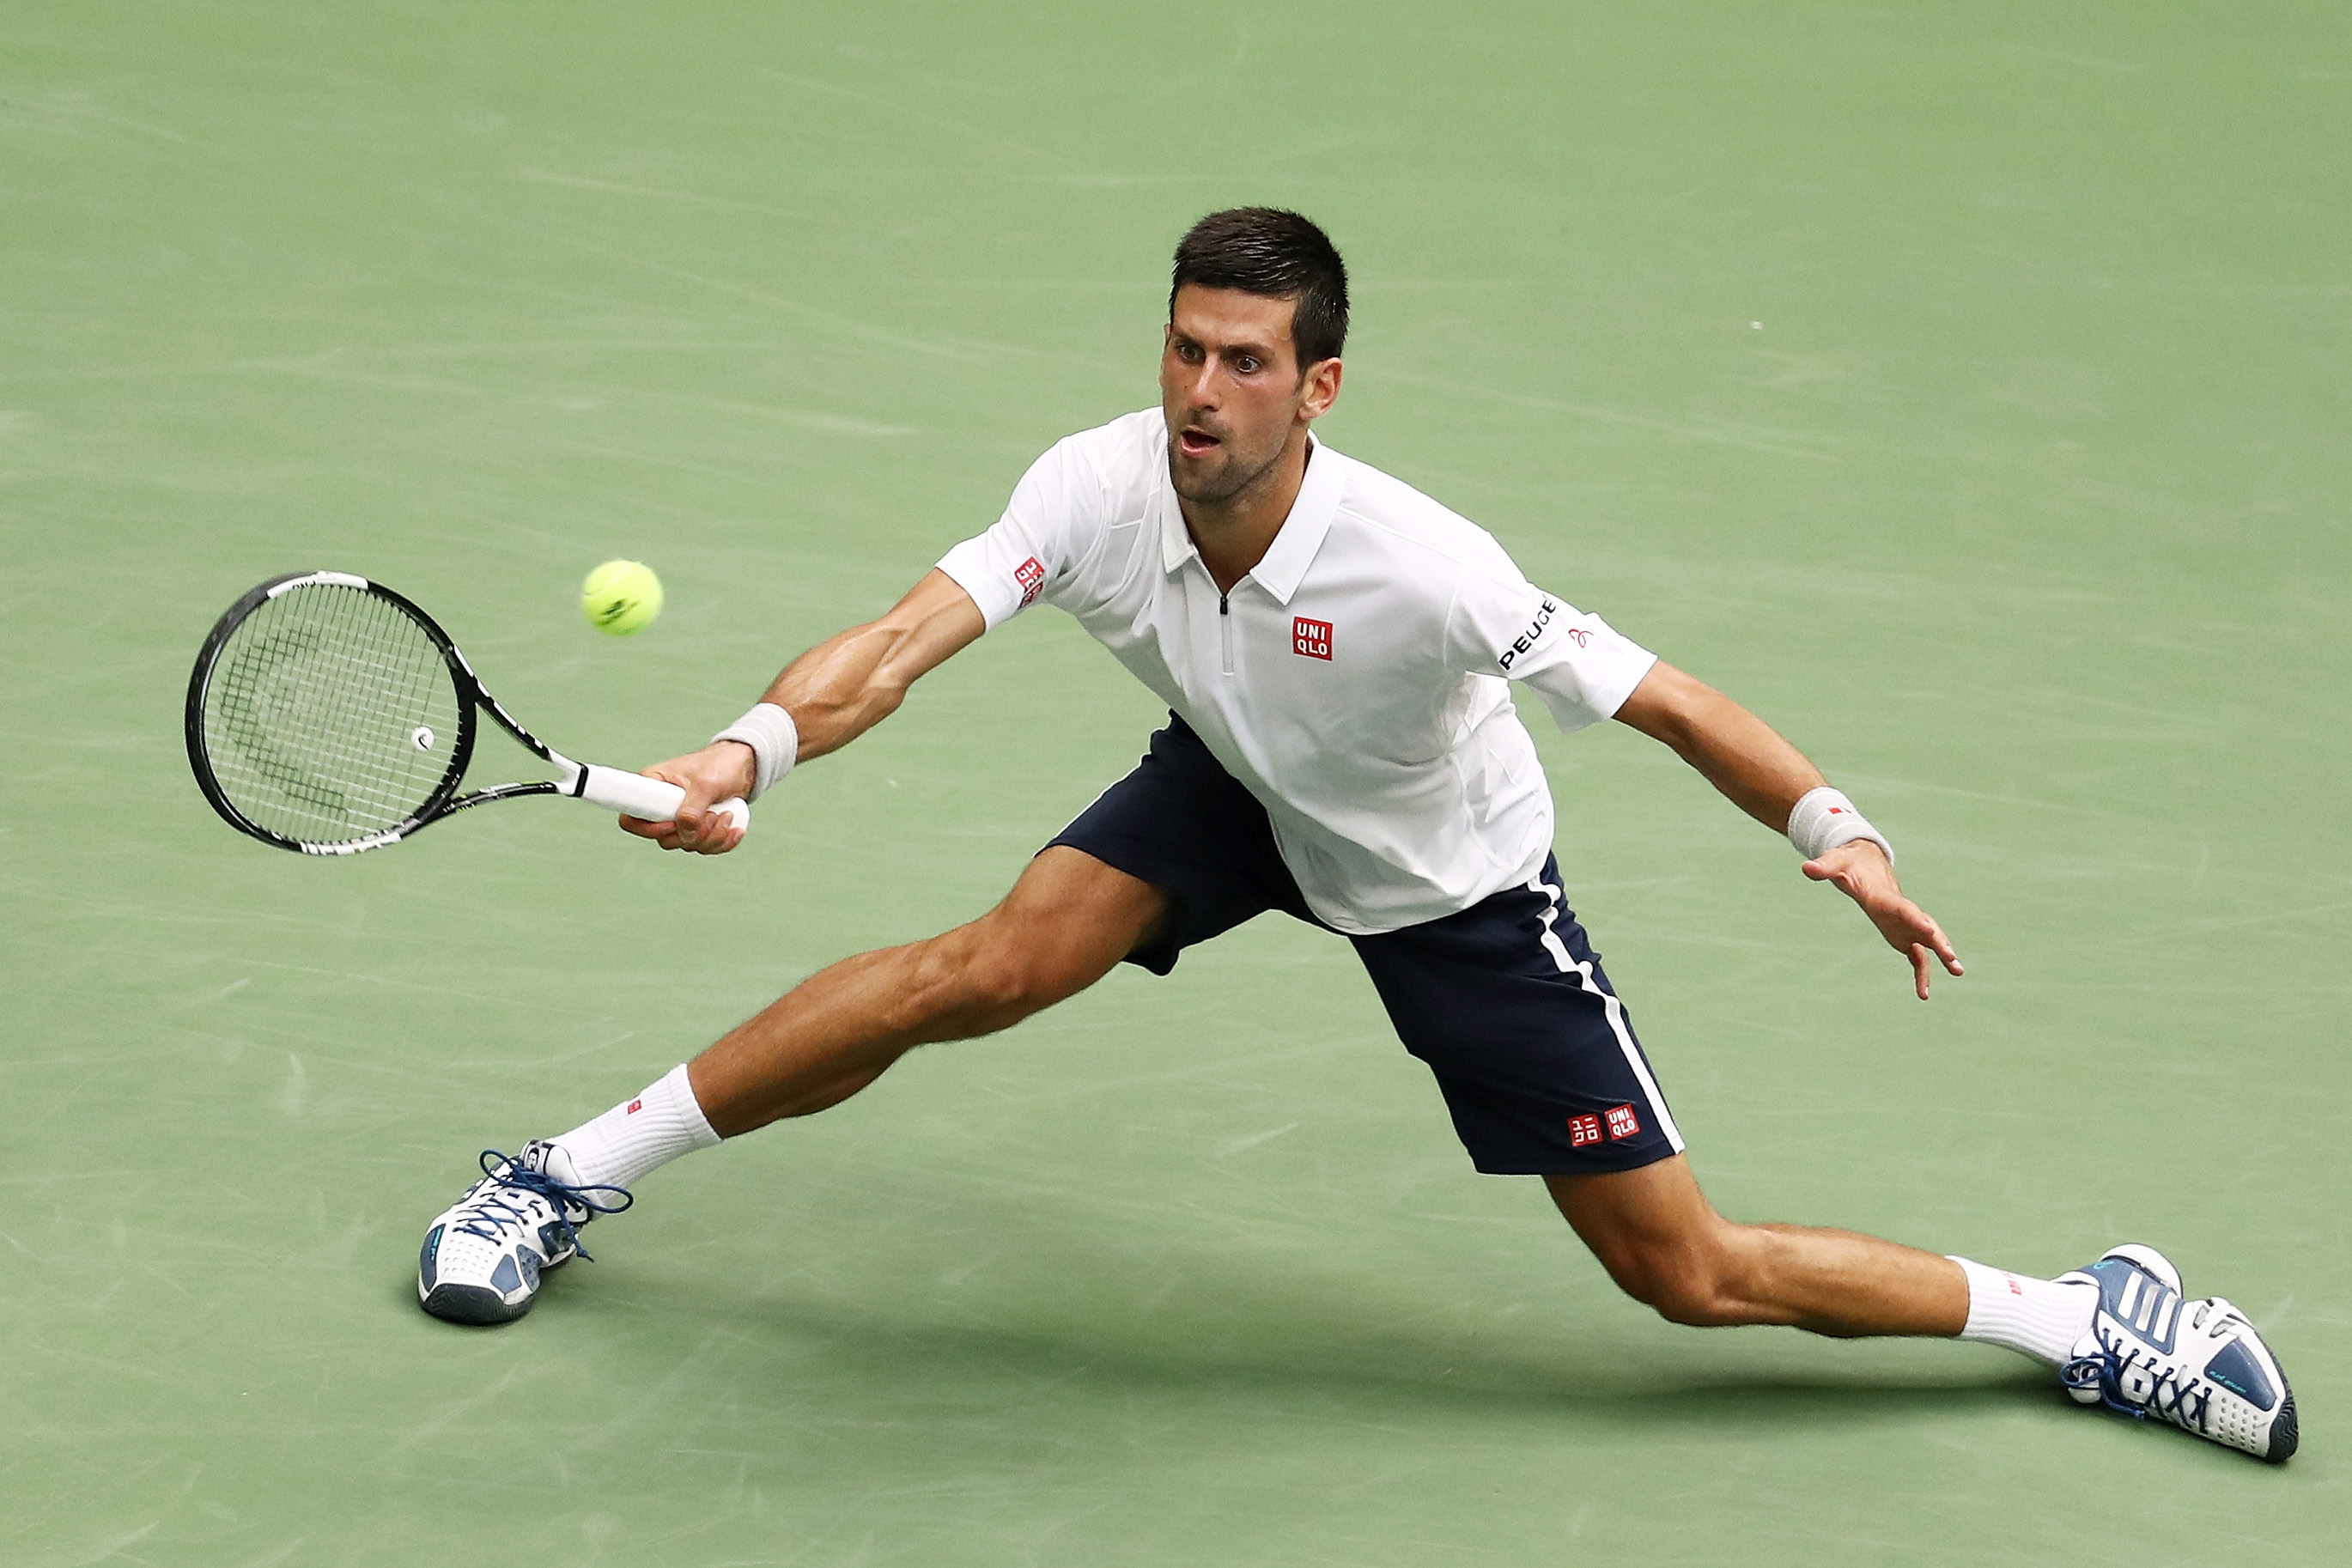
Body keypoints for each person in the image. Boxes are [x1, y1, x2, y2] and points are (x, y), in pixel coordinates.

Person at [414, 208, 2295, 1462]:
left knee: (1683, 1273)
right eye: (1181, 350)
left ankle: (2074, 1313)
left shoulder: (1425, 565)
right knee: (981, 968)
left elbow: (1663, 696)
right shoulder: (1092, 484)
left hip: (1439, 877)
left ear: (1317, 387)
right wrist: (751, 748)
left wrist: (1835, 827)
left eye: (1244, 363)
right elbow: (903, 637)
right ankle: (564, 1172)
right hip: (1236, 784)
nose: (1198, 394)